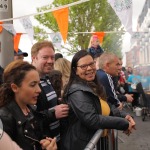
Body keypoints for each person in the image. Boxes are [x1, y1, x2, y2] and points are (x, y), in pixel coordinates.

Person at [61, 50, 135, 150]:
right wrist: (123, 123)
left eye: (91, 64)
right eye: (83, 66)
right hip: (82, 145)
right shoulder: (76, 91)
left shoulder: (91, 85)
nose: (89, 68)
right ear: (75, 70)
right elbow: (91, 119)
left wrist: (124, 115)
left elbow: (105, 104)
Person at [0, 60, 57, 150]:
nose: (39, 90)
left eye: (38, 84)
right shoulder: (4, 119)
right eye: (33, 85)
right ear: (15, 87)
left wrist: (47, 144)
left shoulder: (31, 110)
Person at [31, 40, 69, 148]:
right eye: (45, 57)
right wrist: (53, 113)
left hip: (55, 141)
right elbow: (28, 117)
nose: (50, 61)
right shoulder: (28, 83)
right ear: (34, 58)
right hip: (44, 143)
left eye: (52, 57)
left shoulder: (47, 78)